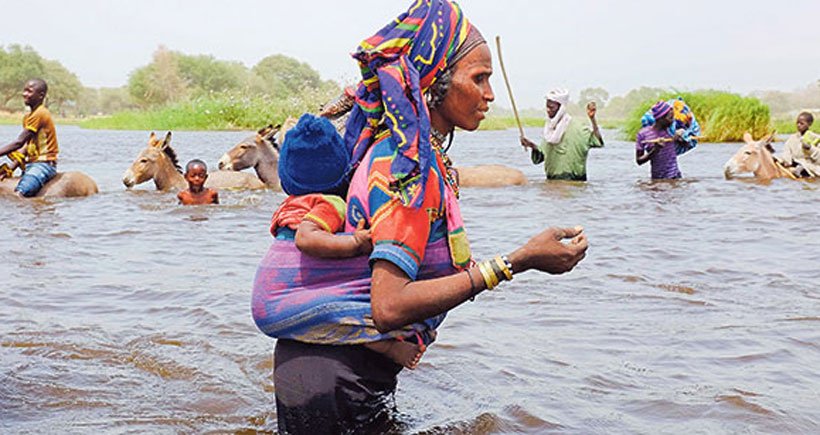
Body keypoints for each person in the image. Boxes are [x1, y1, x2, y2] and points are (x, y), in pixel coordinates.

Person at [252, 1, 589, 432]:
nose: (489, 94)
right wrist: (516, 262)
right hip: (335, 378)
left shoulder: (409, 156)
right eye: (479, 78)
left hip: (330, 368)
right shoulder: (405, 168)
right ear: (434, 81)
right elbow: (390, 306)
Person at [269, 112, 425, 368]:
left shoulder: (291, 205)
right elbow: (305, 239)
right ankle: (388, 346)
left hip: (273, 300)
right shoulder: (328, 204)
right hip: (282, 306)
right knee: (343, 313)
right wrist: (355, 243)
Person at [519, 89, 604, 181]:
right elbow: (541, 157)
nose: (548, 110)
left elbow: (597, 141)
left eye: (551, 107)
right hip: (552, 182)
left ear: (561, 108)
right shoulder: (549, 130)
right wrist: (531, 145)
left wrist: (592, 119)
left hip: (574, 182)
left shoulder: (578, 128)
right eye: (547, 107)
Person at [0, 79, 59, 197]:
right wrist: (11, 168)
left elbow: (19, 142)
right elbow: (26, 146)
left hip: (43, 165)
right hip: (31, 164)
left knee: (20, 194)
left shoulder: (40, 113)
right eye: (24, 91)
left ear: (41, 95)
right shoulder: (28, 117)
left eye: (29, 91)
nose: (24, 94)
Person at [635, 100, 695, 179]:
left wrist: (682, 139)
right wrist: (655, 150)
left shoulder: (672, 131)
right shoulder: (643, 134)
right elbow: (639, 161)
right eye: (670, 118)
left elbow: (687, 145)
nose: (673, 120)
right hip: (657, 179)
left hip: (675, 178)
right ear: (661, 119)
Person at [775, 112, 820, 177]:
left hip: (811, 167)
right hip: (795, 165)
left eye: (802, 123)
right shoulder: (792, 139)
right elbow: (786, 152)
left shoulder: (816, 138)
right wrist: (784, 160)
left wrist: (810, 148)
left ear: (809, 124)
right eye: (797, 123)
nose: (798, 125)